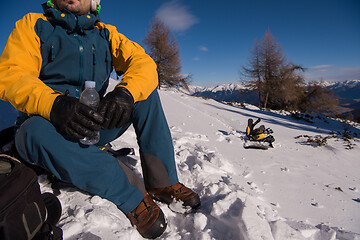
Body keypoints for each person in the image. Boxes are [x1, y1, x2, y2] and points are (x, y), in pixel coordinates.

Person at [0, 0, 200, 238]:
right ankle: (131, 194)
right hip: (48, 127)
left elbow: (144, 64)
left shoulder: (106, 34)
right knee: (33, 131)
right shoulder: (34, 25)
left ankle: (162, 181)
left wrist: (125, 94)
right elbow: (11, 75)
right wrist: (54, 105)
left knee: (144, 94)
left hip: (91, 125)